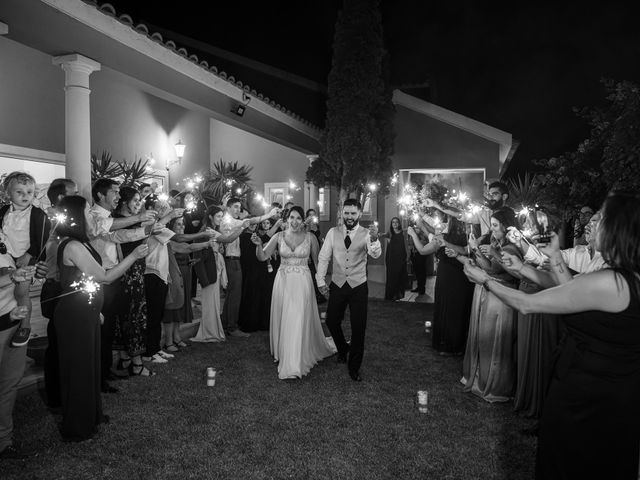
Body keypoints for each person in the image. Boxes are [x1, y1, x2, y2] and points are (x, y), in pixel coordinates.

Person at [463, 190, 640, 479]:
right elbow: (570, 286)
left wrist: (485, 281)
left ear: (618, 229)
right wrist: (538, 261)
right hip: (606, 395)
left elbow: (527, 304)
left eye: (602, 217)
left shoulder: (612, 282)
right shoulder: (621, 276)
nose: (593, 221)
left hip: (590, 401)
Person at [54, 195, 149, 442]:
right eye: (87, 212)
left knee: (91, 366)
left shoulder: (82, 243)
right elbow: (104, 277)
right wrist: (134, 256)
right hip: (74, 316)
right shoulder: (72, 246)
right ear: (76, 216)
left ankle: (91, 415)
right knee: (79, 369)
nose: (91, 216)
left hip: (87, 311)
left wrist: (97, 310)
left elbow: (85, 282)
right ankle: (78, 425)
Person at [89, 179, 158, 390]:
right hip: (101, 276)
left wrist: (144, 231)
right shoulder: (95, 217)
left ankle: (106, 371)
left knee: (109, 328)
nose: (118, 197)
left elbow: (117, 235)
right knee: (102, 329)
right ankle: (98, 376)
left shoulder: (109, 217)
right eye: (115, 192)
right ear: (101, 195)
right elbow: (106, 230)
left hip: (113, 275)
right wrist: (139, 220)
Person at [253, 206, 336, 379]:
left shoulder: (310, 238)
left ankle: (294, 361)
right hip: (282, 282)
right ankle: (285, 353)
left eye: (298, 218)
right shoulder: (278, 236)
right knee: (285, 316)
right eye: (292, 217)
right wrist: (258, 245)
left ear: (304, 220)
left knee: (297, 317)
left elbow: (318, 261)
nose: (295, 221)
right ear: (287, 218)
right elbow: (262, 257)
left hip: (302, 282)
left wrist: (322, 282)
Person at [316, 199, 381, 382]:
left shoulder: (368, 234)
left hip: (358, 285)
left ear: (359, 214)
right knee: (331, 320)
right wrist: (320, 281)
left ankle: (354, 367)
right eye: (347, 213)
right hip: (337, 284)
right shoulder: (332, 232)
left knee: (358, 327)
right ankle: (343, 348)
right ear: (342, 213)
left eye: (353, 213)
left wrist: (375, 240)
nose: (349, 217)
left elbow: (375, 254)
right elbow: (323, 257)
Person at [460, 207, 521, 402]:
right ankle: (480, 377)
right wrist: (475, 251)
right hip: (488, 293)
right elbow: (486, 264)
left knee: (494, 340)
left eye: (495, 225)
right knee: (483, 338)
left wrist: (484, 251)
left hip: (500, 299)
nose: (492, 229)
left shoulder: (511, 248)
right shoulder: (498, 243)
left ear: (505, 226)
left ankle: (495, 384)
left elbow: (493, 268)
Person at [0, 255, 46, 459]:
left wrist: (37, 275)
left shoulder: (7, 250)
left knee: (9, 384)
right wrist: (11, 276)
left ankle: (4, 441)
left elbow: (21, 283)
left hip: (13, 323)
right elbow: (10, 277)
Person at [408, 215, 475, 356]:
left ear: (450, 223)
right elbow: (433, 236)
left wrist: (413, 234)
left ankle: (445, 345)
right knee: (460, 309)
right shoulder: (469, 238)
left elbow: (422, 250)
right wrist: (422, 226)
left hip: (447, 278)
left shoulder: (443, 238)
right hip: (464, 278)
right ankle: (459, 345)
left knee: (446, 307)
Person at [0, 172, 51, 348]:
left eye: (29, 192)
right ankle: (9, 320)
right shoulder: (3, 211)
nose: (25, 196)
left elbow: (43, 238)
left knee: (21, 293)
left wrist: (29, 254)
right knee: (7, 290)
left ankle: (26, 325)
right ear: (8, 193)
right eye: (19, 192)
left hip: (27, 258)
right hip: (6, 258)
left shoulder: (37, 214)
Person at [41, 178, 78, 409]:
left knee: (66, 343)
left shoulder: (68, 223)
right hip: (55, 287)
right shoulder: (49, 222)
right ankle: (56, 397)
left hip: (66, 286)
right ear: (62, 198)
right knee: (56, 344)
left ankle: (66, 392)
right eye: (74, 193)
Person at [219, 198, 280, 337]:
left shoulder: (231, 221)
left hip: (234, 260)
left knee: (232, 295)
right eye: (235, 207)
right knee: (234, 295)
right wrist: (269, 215)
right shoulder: (229, 221)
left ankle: (226, 323)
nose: (237, 210)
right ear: (228, 208)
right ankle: (232, 327)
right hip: (232, 261)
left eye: (239, 207)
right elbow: (250, 221)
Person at [191, 206, 246, 343]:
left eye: (222, 216)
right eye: (218, 216)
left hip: (215, 268)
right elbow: (228, 240)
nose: (221, 219)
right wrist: (242, 228)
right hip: (209, 270)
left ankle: (213, 330)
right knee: (210, 302)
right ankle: (209, 332)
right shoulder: (208, 230)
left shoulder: (213, 230)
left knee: (215, 302)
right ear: (210, 217)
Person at [163, 216, 214, 350]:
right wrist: (206, 243)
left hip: (185, 275)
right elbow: (188, 247)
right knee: (172, 309)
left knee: (180, 308)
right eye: (178, 224)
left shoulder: (181, 240)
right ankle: (168, 341)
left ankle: (177, 337)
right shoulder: (169, 240)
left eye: (183, 224)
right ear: (171, 227)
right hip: (173, 278)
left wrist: (189, 262)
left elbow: (187, 250)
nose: (181, 227)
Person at [380, 217, 408, 301]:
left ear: (399, 223)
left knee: (399, 277)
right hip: (391, 259)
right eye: (393, 222)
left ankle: (397, 295)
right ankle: (390, 296)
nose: (395, 224)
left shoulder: (403, 233)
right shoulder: (390, 233)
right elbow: (382, 235)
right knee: (391, 277)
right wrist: (379, 234)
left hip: (401, 259)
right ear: (391, 224)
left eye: (396, 222)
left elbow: (406, 245)